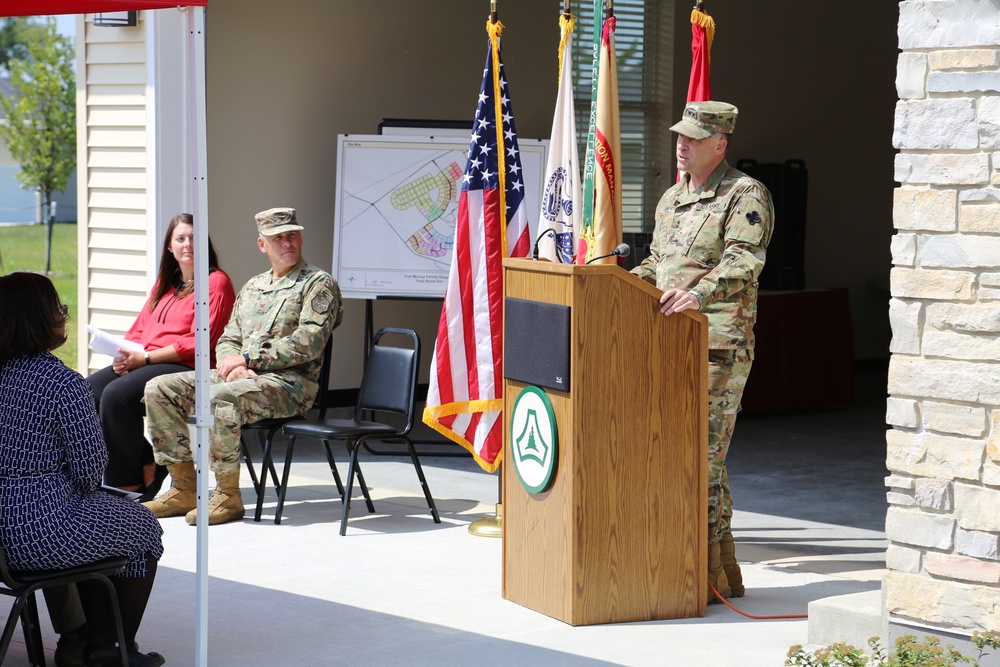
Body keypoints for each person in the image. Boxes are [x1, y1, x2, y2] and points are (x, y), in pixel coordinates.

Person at [630, 101, 774, 602]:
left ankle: (701, 575)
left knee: (702, 456)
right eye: (680, 135)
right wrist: (620, 287)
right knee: (694, 454)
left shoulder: (744, 194)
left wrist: (699, 294)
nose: (681, 144)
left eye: (693, 137)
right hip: (671, 343)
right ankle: (718, 574)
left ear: (721, 144)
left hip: (717, 344)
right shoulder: (671, 197)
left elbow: (745, 259)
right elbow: (658, 262)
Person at [0, 272, 166, 667]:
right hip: (37, 530)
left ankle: (82, 640)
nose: (63, 315)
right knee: (142, 527)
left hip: (2, 537)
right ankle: (109, 649)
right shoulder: (61, 383)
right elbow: (91, 471)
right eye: (58, 308)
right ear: (41, 319)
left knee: (105, 525)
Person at [142, 207, 343, 526]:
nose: (286, 242)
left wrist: (250, 361)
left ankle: (227, 496)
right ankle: (183, 487)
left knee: (219, 398)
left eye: (291, 235)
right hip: (240, 377)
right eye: (277, 238)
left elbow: (310, 342)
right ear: (263, 245)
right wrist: (231, 365)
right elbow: (227, 337)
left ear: (301, 238)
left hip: (291, 385)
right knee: (160, 388)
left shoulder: (318, 284)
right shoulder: (253, 287)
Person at [87, 213, 236, 501]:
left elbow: (201, 339)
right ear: (170, 246)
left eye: (193, 238)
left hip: (187, 364)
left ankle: (128, 483)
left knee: (117, 396)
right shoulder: (165, 285)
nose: (187, 244)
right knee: (84, 393)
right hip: (148, 360)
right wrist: (124, 355)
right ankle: (147, 459)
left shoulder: (216, 282)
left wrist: (145, 359)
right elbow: (138, 331)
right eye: (180, 238)